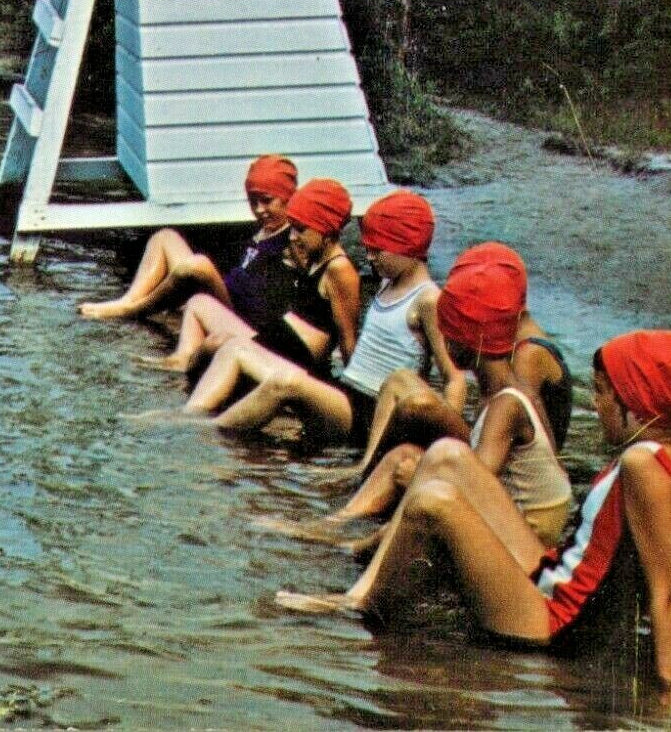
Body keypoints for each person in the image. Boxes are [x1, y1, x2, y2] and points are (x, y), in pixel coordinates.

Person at [277, 329, 671, 701]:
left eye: (602, 392)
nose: (596, 405)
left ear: (636, 398)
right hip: (554, 579)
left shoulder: (642, 465)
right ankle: (367, 564)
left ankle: (358, 603)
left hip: (553, 623)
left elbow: (669, 589)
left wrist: (669, 693)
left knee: (434, 501)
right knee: (449, 455)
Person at [283, 242, 571, 550]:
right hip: (517, 505)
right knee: (403, 455)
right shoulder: (503, 384)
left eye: (450, 335)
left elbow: (477, 487)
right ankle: (335, 523)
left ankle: (361, 558)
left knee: (428, 495)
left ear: (474, 337)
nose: (443, 345)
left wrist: (420, 478)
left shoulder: (508, 399)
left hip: (527, 532)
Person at [186, 191, 464, 446]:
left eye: (378, 250)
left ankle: (205, 430)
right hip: (346, 392)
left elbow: (453, 378)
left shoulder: (428, 299)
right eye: (368, 248)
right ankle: (190, 414)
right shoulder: (388, 283)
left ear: (409, 246)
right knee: (235, 347)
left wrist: (443, 436)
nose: (369, 257)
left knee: (286, 382)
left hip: (371, 411)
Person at [147, 179, 360, 407]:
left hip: (296, 355)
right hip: (280, 339)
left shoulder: (340, 269)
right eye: (293, 227)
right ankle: (186, 371)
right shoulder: (312, 254)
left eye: (300, 230)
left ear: (326, 230)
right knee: (206, 321)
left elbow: (348, 338)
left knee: (220, 345)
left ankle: (191, 410)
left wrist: (350, 394)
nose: (292, 236)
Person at [79, 154, 298, 327]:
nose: (259, 210)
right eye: (253, 202)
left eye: (267, 201)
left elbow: (271, 297)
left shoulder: (294, 238)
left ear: (288, 196)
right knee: (166, 237)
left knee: (199, 265)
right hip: (230, 294)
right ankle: (128, 300)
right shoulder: (262, 230)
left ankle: (133, 310)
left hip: (243, 316)